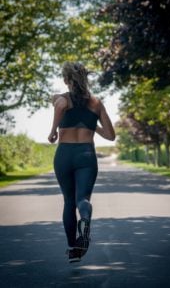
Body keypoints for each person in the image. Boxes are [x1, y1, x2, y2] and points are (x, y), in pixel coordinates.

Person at [48, 62, 116, 263]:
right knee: (82, 199)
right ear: (85, 78)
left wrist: (53, 131)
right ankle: (85, 220)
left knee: (68, 202)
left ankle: (73, 248)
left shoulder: (61, 99)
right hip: (86, 154)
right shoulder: (96, 103)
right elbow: (111, 136)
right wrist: (90, 124)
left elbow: (59, 107)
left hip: (64, 154)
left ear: (65, 79)